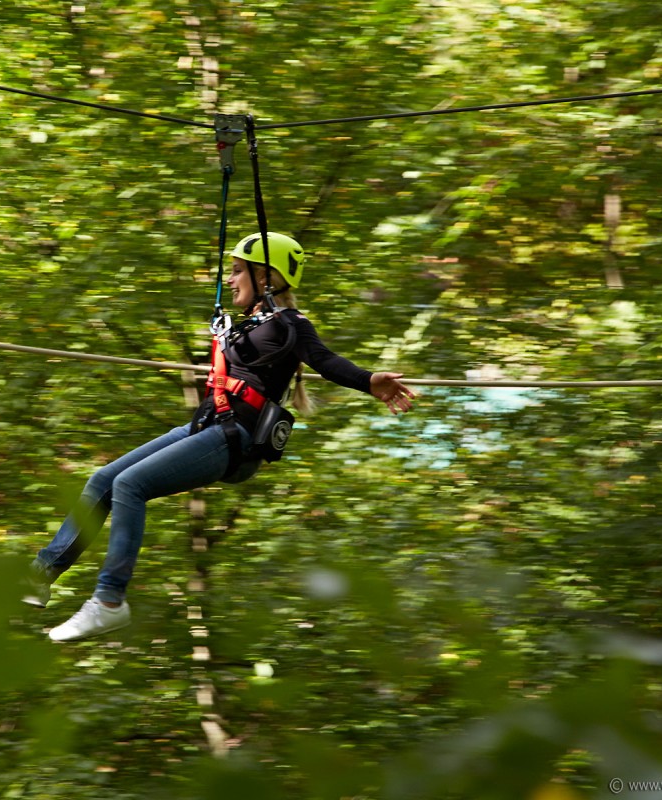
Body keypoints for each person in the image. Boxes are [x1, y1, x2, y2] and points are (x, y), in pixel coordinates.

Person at [24, 232, 416, 642]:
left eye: (237, 271)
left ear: (264, 277)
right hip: (205, 427)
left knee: (129, 485)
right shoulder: (250, 325)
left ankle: (108, 601)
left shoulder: (291, 324)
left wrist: (368, 380)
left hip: (235, 438)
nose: (229, 280)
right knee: (103, 480)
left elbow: (326, 361)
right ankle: (40, 575)